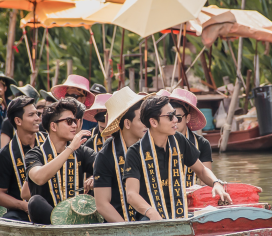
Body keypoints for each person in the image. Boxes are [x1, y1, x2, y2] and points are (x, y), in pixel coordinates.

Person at [123, 95, 232, 221]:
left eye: (175, 115)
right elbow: (131, 195)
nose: (175, 120)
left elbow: (201, 170)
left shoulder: (179, 141)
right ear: (153, 122)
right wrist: (152, 213)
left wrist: (216, 183)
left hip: (180, 213)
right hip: (150, 218)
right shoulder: (135, 152)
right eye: (170, 116)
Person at [24, 98, 96, 225]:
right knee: (35, 202)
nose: (75, 125)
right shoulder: (34, 154)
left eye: (74, 121)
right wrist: (70, 149)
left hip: (78, 217)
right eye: (69, 122)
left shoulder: (82, 151)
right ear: (53, 126)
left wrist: (96, 177)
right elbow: (39, 177)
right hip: (49, 220)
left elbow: (106, 168)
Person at [94, 87, 147, 222]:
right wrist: (128, 231)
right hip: (121, 226)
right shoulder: (105, 155)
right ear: (127, 123)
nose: (148, 124)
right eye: (142, 120)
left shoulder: (150, 147)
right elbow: (102, 204)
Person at [0, 96, 46, 221]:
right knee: (7, 221)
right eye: (31, 115)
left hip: (52, 206)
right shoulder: (6, 154)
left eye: (37, 113)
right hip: (22, 212)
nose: (37, 118)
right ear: (18, 121)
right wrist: (23, 205)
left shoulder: (49, 142)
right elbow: (1, 193)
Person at [169, 88, 212, 186]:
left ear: (187, 118)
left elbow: (204, 182)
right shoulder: (162, 140)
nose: (174, 121)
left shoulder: (202, 144)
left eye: (178, 118)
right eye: (170, 117)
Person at [1, 84, 40, 148]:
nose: (37, 118)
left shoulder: (44, 138)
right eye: (17, 95)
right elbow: (4, 147)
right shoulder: (7, 122)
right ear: (17, 120)